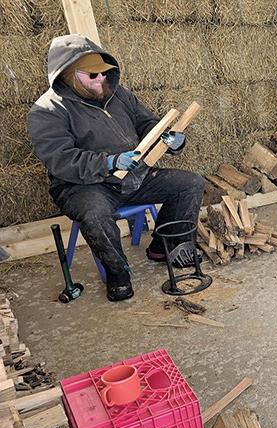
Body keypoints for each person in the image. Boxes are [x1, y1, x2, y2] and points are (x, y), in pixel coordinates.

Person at [27, 34, 202, 302]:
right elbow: (61, 160)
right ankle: (118, 273)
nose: (101, 80)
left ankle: (163, 247)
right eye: (92, 75)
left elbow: (147, 123)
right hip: (83, 186)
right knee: (96, 215)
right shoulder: (46, 111)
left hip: (133, 176)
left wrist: (170, 139)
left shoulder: (118, 94)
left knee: (190, 184)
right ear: (68, 75)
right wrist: (108, 162)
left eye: (105, 73)